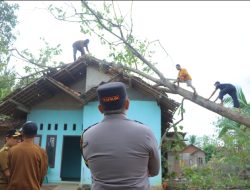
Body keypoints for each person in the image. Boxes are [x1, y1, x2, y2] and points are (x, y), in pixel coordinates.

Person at [80, 82, 160, 190]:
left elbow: (90, 166)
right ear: (127, 104)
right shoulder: (146, 132)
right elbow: (154, 171)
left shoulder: (86, 136)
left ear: (100, 109)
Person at [7, 121, 48, 190]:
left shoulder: (12, 150)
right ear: (35, 134)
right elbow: (42, 173)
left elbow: (10, 170)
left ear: (22, 133)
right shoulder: (41, 151)